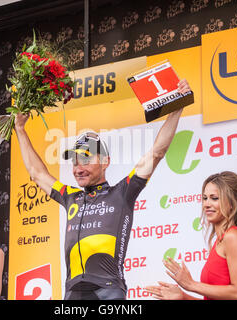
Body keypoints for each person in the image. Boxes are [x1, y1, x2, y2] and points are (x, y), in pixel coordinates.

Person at [14, 79, 192, 300]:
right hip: (73, 292)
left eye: (86, 160)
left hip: (108, 291)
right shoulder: (71, 197)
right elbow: (37, 173)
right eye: (75, 162)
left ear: (106, 161)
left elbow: (156, 152)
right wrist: (20, 129)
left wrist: (177, 108)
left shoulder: (122, 192)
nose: (78, 168)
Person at [146, 171, 237, 300]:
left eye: (214, 198)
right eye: (205, 198)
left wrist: (191, 284)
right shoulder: (221, 240)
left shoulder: (233, 237)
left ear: (232, 203)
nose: (206, 204)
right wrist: (183, 297)